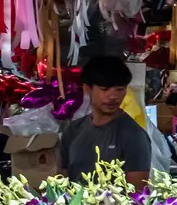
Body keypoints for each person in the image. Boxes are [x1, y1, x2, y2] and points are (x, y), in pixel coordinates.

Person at [62, 54, 151, 182]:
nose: (113, 96)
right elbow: (63, 180)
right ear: (87, 88)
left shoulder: (134, 135)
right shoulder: (73, 130)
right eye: (105, 89)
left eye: (120, 89)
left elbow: (137, 194)